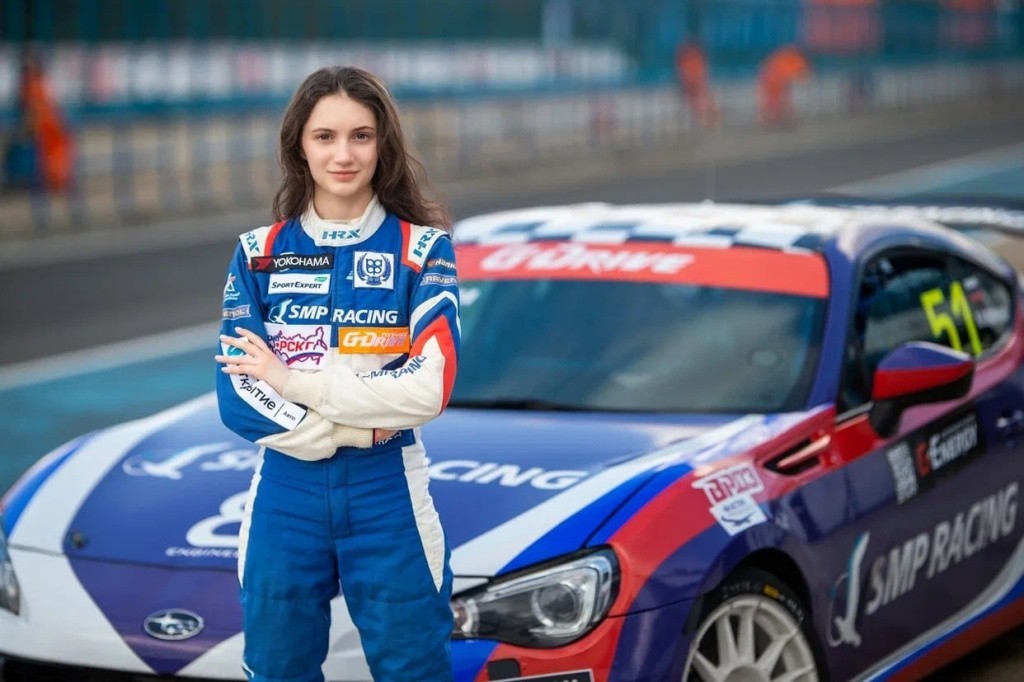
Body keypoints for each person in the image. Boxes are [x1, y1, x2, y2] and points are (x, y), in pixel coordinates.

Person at [214, 66, 460, 682]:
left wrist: (293, 381)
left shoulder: (424, 251)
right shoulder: (258, 253)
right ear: (299, 145)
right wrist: (349, 429)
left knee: (415, 670)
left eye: (361, 136)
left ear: (383, 145)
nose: (343, 155)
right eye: (325, 136)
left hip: (389, 487)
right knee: (276, 669)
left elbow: (429, 389)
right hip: (285, 488)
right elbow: (239, 393)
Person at [674, 43, 719, 129]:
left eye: (695, 65)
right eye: (687, 66)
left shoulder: (722, 101)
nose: (692, 71)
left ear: (705, 67)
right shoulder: (671, 108)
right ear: (679, 70)